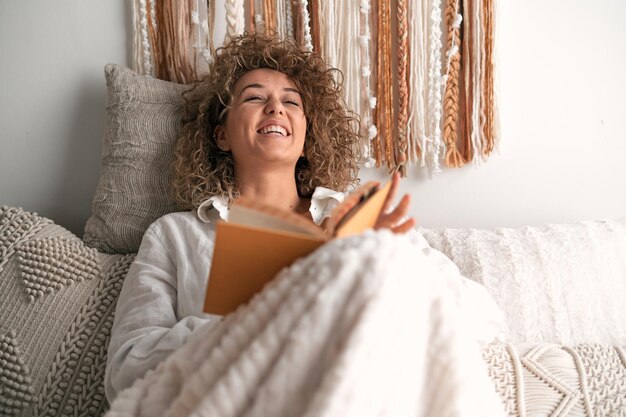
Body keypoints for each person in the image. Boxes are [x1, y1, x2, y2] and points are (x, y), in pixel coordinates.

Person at [104, 33, 417, 401]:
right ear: (221, 135)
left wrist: (375, 269)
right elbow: (125, 373)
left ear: (306, 136)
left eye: (291, 102)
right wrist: (249, 322)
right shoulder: (175, 236)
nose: (275, 108)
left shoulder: (362, 221)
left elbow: (461, 318)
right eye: (254, 97)